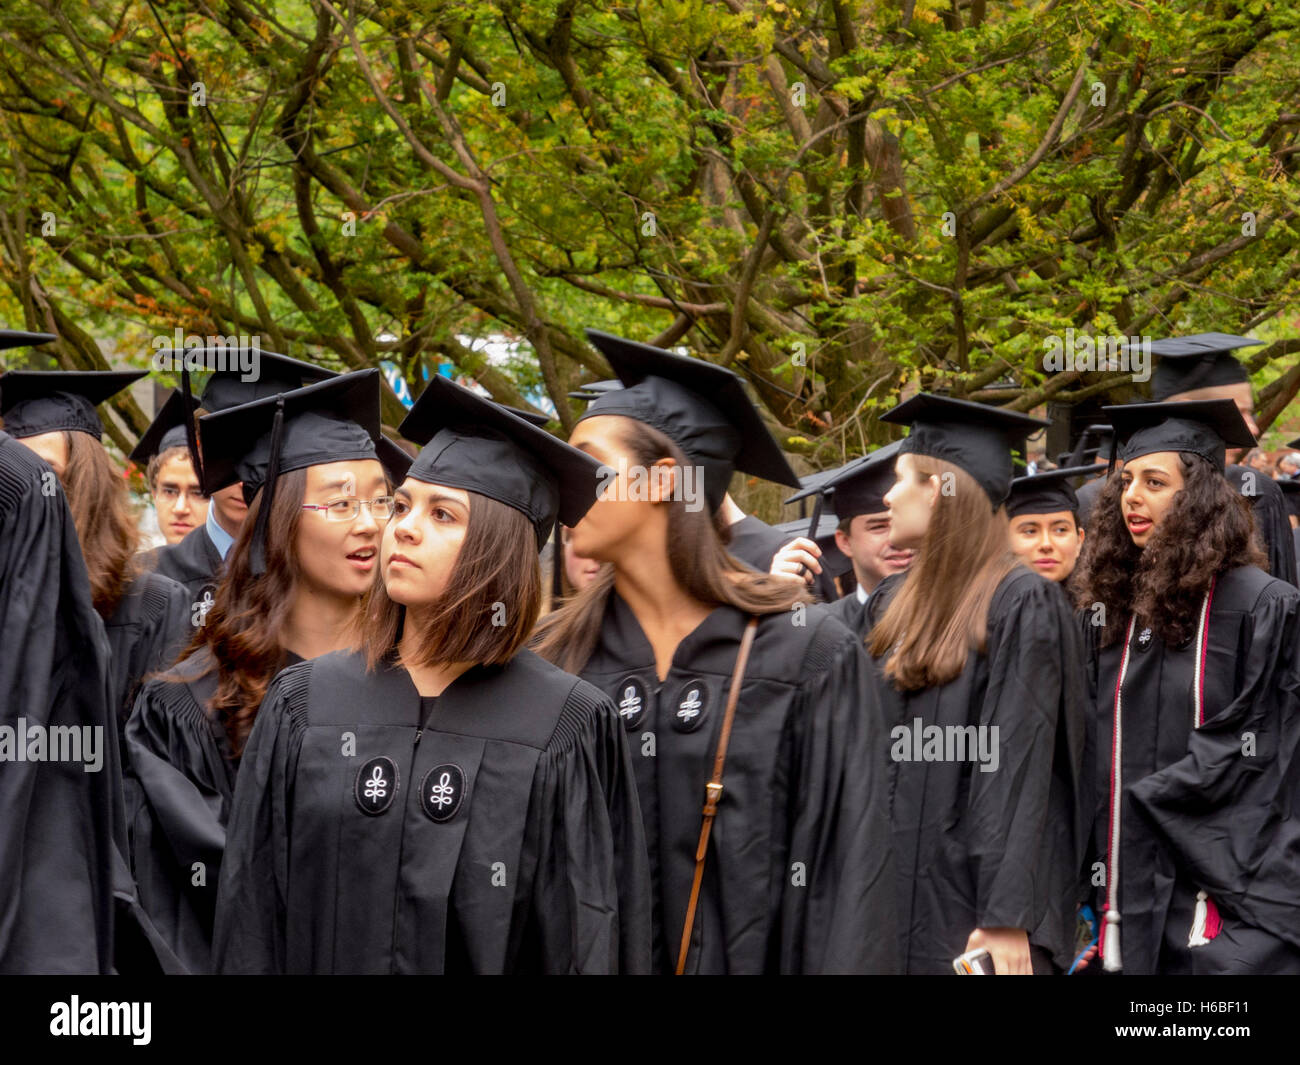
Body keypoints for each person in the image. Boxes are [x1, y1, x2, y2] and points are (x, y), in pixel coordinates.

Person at [213, 375, 652, 974]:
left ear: (496, 551)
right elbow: (253, 916)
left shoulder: (565, 725)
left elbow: (585, 938)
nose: (404, 527)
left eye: (443, 514)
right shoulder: (306, 702)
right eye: (403, 504)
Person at [533, 329, 897, 975]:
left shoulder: (806, 653)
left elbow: (851, 881)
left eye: (588, 459)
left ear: (662, 479)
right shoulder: (554, 659)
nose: (565, 480)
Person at [125, 370, 398, 972]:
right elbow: (188, 909)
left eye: (383, 499)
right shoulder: (193, 705)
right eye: (340, 501)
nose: (371, 522)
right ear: (275, 516)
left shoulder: (422, 681)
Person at [1072, 399, 1300, 974]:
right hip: (1115, 897)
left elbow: (1275, 760)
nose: (1132, 497)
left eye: (1154, 481)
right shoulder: (1112, 610)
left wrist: (1162, 797)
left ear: (1197, 496)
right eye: (1125, 482)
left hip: (1218, 903)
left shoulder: (1261, 605)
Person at [865, 394, 1087, 975]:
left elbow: (1019, 764)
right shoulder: (892, 602)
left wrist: (1005, 915)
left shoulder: (1021, 601)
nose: (887, 496)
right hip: (887, 899)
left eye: (902, 480)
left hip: (970, 912)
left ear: (942, 489)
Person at [1, 369, 190, 724]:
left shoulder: (153, 606)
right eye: (12, 475)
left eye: (44, 473)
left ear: (86, 484)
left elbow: (159, 757)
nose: (23, 490)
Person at [148, 347, 336, 628]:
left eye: (267, 453)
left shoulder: (328, 577)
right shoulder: (147, 582)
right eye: (230, 452)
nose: (245, 477)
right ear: (199, 453)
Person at [1147, 332, 1297, 586]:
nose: (1253, 429)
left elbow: (1283, 608)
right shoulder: (1112, 503)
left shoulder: (1259, 494)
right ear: (1186, 413)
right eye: (1239, 412)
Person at [779, 441, 913, 636]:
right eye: (878, 527)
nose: (896, 538)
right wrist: (778, 598)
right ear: (845, 542)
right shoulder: (818, 630)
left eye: (905, 522)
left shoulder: (956, 620)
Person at [129, 389, 208, 546]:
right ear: (154, 494)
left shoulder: (239, 570)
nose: (180, 509)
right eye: (169, 491)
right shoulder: (134, 569)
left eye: (198, 493)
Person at [1005, 465, 1094, 586]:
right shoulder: (983, 602)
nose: (1046, 544)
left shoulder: (1101, 602)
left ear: (1079, 541)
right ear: (1005, 542)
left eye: (1060, 530)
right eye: (1030, 531)